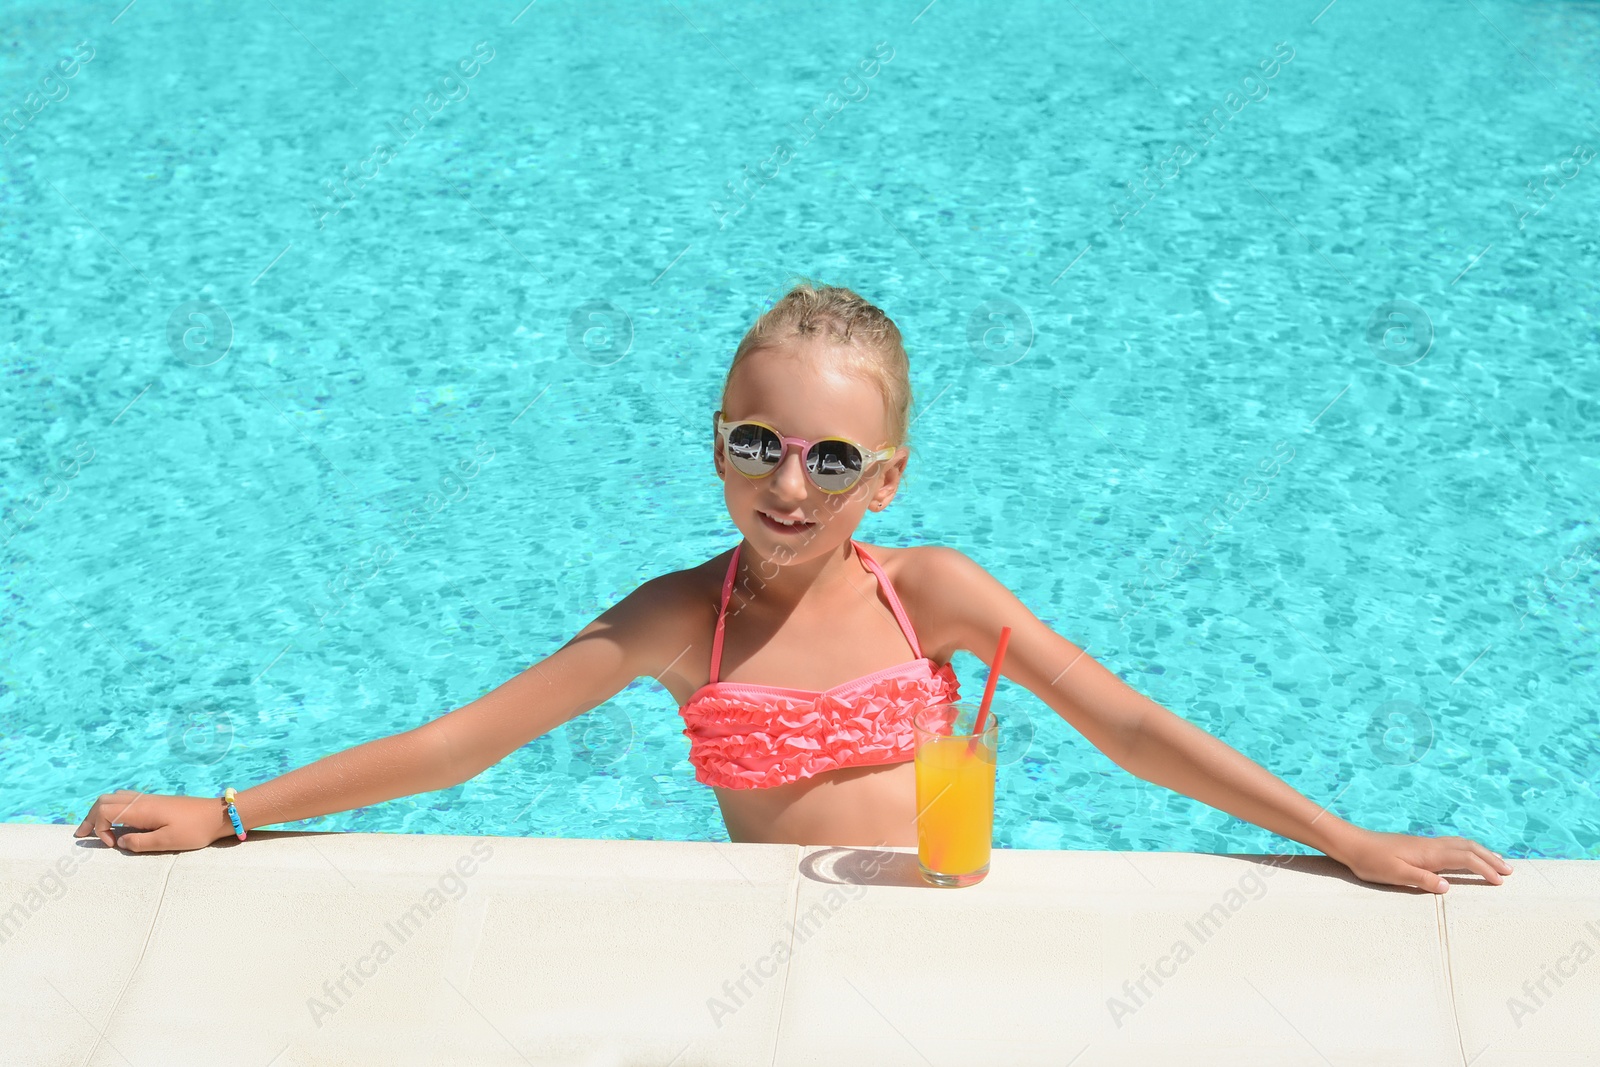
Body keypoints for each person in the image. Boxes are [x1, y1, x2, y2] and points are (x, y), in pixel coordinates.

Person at [76, 281, 1513, 894]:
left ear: (885, 480)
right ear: (715, 445)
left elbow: (1126, 729)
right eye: (756, 443)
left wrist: (1342, 838)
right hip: (771, 945)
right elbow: (461, 745)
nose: (789, 485)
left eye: (833, 458)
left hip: (950, 923)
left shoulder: (931, 594)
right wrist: (230, 814)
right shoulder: (670, 621)